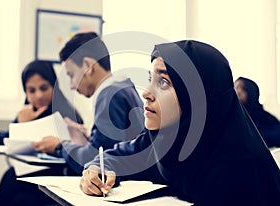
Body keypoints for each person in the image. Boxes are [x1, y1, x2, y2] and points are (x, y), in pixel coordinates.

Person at [79, 40, 280, 205]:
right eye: (151, 79)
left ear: (199, 97)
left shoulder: (239, 169)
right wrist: (96, 170)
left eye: (164, 82)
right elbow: (119, 156)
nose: (146, 93)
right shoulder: (163, 140)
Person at [31, 32, 145, 175]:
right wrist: (89, 135)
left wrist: (60, 146)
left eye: (71, 75)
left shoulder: (108, 95)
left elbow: (95, 162)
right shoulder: (123, 87)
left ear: (88, 65)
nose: (72, 85)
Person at [0, 60, 84, 206]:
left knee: (10, 178)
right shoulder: (28, 112)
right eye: (32, 91)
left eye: (44, 88)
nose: (38, 95)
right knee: (21, 200)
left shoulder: (68, 115)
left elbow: (79, 153)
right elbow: (10, 136)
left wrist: (24, 125)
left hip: (58, 178)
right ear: (26, 93)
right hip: (32, 177)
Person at [235, 77, 280, 147]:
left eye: (242, 88)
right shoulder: (235, 118)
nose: (237, 92)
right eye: (235, 88)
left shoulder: (265, 118)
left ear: (251, 92)